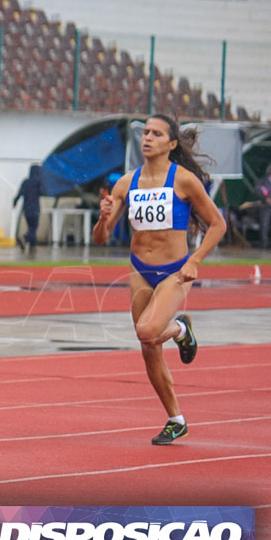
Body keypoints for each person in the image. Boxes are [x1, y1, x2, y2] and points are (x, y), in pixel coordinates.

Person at [92, 114, 226, 446]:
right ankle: (175, 419)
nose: (148, 138)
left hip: (176, 270)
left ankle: (181, 329)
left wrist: (195, 260)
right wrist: (103, 218)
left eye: (156, 133)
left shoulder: (183, 181)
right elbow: (100, 238)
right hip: (140, 269)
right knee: (148, 347)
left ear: (171, 144)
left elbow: (218, 224)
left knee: (147, 331)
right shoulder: (127, 182)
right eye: (145, 132)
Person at [12, 164, 42, 252]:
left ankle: (33, 246)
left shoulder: (25, 182)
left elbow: (19, 194)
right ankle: (25, 238)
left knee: (31, 227)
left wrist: (15, 202)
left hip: (26, 208)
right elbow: (43, 192)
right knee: (34, 227)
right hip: (35, 208)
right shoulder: (38, 182)